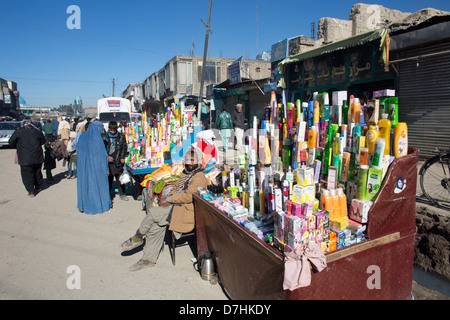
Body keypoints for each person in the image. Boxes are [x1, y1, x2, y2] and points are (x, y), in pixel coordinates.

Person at [120, 147, 207, 271]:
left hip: (184, 211)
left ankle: (138, 237)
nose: (189, 162)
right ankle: (148, 259)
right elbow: (175, 188)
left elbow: (188, 197)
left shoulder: (198, 176)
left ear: (198, 161)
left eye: (192, 160)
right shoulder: (185, 173)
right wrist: (168, 197)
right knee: (156, 226)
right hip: (175, 206)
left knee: (153, 213)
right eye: (187, 159)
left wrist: (169, 200)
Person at [76, 120, 112, 214]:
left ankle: (84, 205)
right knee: (98, 185)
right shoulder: (97, 140)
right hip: (97, 168)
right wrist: (106, 168)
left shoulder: (82, 137)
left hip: (83, 168)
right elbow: (102, 156)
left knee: (86, 185)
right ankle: (100, 205)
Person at [8, 117, 46, 197]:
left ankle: (31, 191)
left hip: (25, 157)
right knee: (37, 172)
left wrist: (19, 146)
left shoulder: (19, 131)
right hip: (37, 156)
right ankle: (38, 186)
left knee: (27, 175)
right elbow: (43, 141)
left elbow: (11, 142)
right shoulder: (37, 131)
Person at [102, 121, 128, 201]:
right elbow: (102, 149)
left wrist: (122, 157)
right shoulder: (104, 137)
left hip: (117, 158)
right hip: (108, 160)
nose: (112, 131)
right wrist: (107, 157)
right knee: (109, 179)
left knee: (119, 178)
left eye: (114, 129)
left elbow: (124, 147)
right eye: (111, 129)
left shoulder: (121, 136)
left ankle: (122, 193)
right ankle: (109, 194)